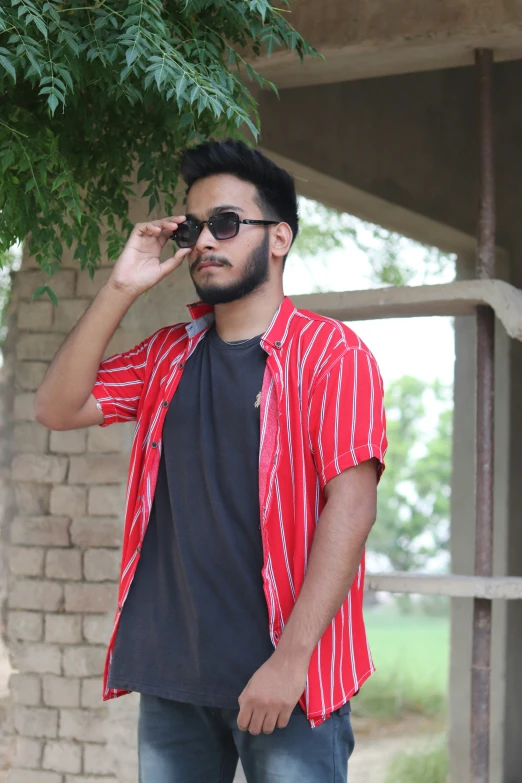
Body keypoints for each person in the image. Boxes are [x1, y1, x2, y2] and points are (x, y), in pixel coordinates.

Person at [34, 139, 388, 783]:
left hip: (285, 683)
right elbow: (57, 408)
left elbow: (353, 504)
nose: (202, 241)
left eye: (225, 223)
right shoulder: (168, 355)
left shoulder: (331, 355)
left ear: (278, 238)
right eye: (193, 226)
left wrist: (292, 661)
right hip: (174, 676)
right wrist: (121, 287)